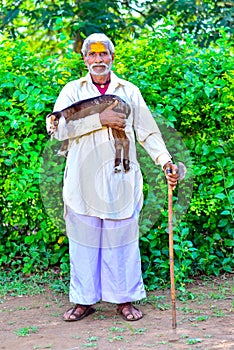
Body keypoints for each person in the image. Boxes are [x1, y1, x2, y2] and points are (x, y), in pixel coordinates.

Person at [47, 33, 179, 322]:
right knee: (83, 243)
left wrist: (166, 161)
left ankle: (124, 301)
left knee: (122, 242)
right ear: (84, 59)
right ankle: (83, 301)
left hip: (121, 180)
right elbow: (57, 129)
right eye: (92, 55)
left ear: (112, 57)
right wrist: (100, 120)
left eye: (103, 54)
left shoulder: (129, 91)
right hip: (82, 181)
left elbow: (147, 131)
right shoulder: (72, 91)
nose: (98, 60)